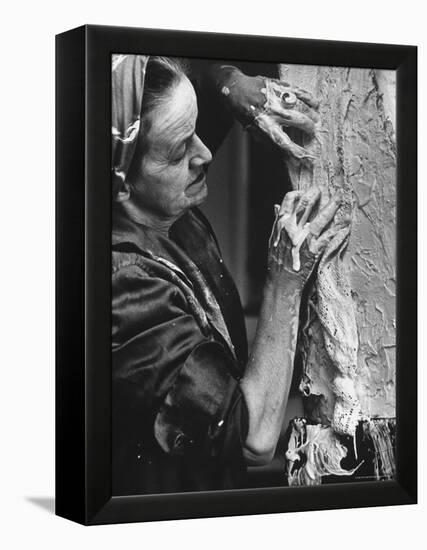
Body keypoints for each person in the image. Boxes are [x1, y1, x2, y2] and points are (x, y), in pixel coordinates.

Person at [111, 55, 344, 495]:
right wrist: (284, 279)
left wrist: (229, 85)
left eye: (198, 128)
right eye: (181, 150)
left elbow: (194, 93)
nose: (204, 153)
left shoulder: (163, 195)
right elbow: (253, 437)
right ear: (122, 181)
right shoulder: (125, 291)